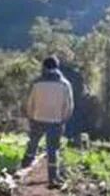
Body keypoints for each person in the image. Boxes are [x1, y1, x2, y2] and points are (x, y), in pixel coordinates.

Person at [21, 56, 73, 188]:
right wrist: (63, 119)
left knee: (32, 144)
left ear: (44, 67)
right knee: (53, 150)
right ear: (57, 67)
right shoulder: (65, 84)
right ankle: (52, 178)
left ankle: (22, 171)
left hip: (38, 118)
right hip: (56, 121)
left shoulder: (36, 83)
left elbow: (30, 102)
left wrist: (31, 117)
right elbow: (69, 105)